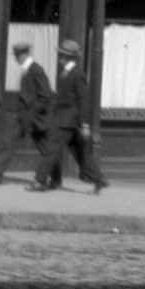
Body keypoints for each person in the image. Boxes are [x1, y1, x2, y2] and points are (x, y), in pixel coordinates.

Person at [32, 42, 105, 193]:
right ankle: (98, 179)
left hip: (67, 121)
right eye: (60, 54)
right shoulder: (65, 72)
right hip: (65, 120)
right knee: (80, 153)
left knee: (51, 148)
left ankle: (40, 181)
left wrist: (85, 125)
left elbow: (84, 101)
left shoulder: (78, 75)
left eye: (63, 55)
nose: (60, 57)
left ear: (70, 57)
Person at [0, 39, 52, 185]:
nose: (15, 59)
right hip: (23, 115)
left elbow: (46, 94)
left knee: (45, 147)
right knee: (9, 141)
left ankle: (54, 175)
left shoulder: (36, 70)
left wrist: (34, 110)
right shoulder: (26, 69)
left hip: (34, 117)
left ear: (21, 55)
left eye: (16, 56)